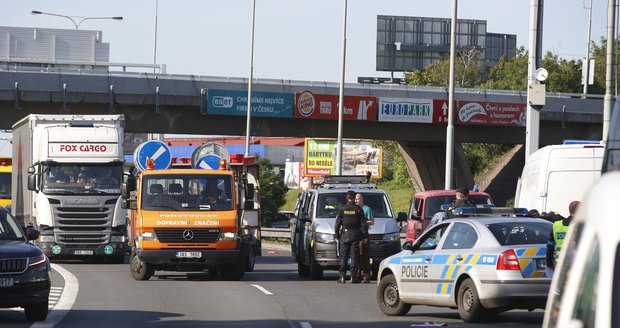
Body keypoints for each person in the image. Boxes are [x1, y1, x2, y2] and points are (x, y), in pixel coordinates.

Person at [334, 190, 368, 284]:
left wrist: (337, 235)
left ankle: (342, 277)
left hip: (344, 234)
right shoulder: (358, 209)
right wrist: (364, 236)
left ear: (347, 197)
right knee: (354, 256)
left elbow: (337, 224)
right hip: (355, 235)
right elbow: (363, 224)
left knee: (343, 256)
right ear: (354, 198)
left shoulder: (343, 209)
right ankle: (353, 277)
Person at [546, 200, 581, 277]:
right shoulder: (580, 225)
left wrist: (549, 265)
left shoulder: (557, 225)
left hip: (560, 263)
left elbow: (550, 247)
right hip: (576, 264)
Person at [355, 193, 373, 283]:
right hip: (355, 236)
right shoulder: (354, 209)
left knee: (365, 256)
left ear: (362, 199)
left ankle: (366, 275)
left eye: (357, 199)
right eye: (355, 199)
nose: (356, 201)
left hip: (364, 235)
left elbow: (372, 222)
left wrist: (363, 222)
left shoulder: (367, 209)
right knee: (356, 256)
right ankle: (357, 275)